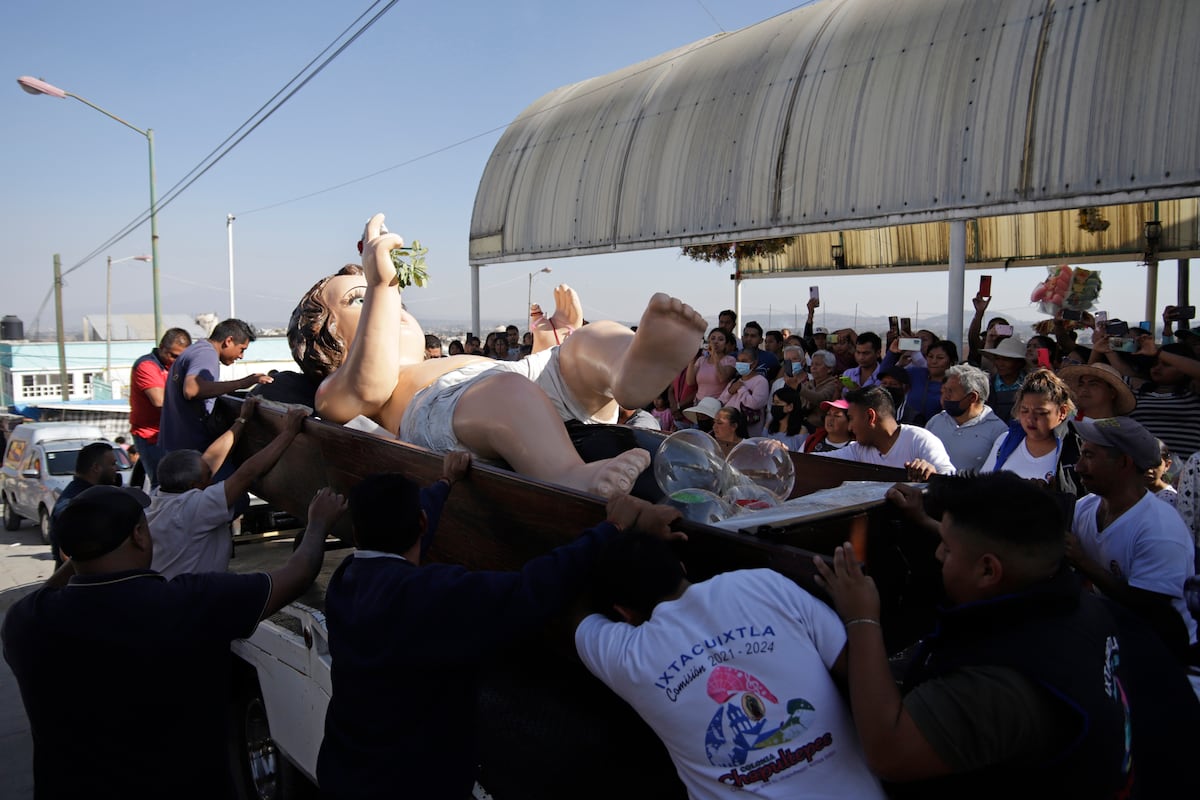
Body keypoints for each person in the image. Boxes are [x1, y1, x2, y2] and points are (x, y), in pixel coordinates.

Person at [315, 458, 685, 800]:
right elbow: (530, 589)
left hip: (342, 772)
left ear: (358, 532)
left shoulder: (347, 579)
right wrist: (611, 528)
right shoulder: (430, 595)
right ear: (422, 523)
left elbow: (404, 541)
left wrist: (446, 482)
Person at [814, 472, 1200, 798]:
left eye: (946, 548)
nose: (937, 555)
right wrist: (930, 523)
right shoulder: (1088, 608)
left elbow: (889, 753)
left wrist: (862, 619)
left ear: (988, 571)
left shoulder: (1003, 683)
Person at [289, 217, 708, 497]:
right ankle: (568, 474)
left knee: (585, 344)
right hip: (449, 407)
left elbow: (533, 377)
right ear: (330, 345)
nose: (390, 301)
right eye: (357, 300)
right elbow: (370, 383)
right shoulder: (336, 388)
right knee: (507, 395)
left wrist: (556, 336)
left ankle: (626, 371)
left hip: (511, 379)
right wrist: (381, 286)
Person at [2, 482, 345, 799]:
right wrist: (318, 523)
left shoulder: (27, 623)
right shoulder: (188, 602)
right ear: (139, 535)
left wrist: (79, 555)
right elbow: (297, 575)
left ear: (66, 552)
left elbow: (50, 588)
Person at [574, 532, 886, 799]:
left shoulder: (627, 657)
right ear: (682, 567)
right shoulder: (765, 584)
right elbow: (857, 668)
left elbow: (579, 616)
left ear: (624, 613)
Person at [1067, 416, 1197, 660]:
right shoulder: (1085, 507)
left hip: (1164, 655)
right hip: (1110, 640)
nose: (1078, 467)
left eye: (1090, 456)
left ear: (1124, 463)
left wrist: (1083, 562)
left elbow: (1150, 608)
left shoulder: (1160, 529)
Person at [147, 400, 310, 579]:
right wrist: (289, 432)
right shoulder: (192, 508)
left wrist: (241, 420)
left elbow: (212, 458)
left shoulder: (158, 497)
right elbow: (248, 473)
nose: (213, 478)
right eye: (208, 476)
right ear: (193, 486)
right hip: (188, 597)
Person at [159, 318, 273, 453]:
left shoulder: (197, 349)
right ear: (228, 341)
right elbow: (192, 390)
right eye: (241, 349)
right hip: (190, 449)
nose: (241, 356)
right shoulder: (207, 354)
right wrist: (243, 382)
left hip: (177, 444)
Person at [813, 386, 954, 477]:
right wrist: (790, 456)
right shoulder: (858, 450)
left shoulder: (920, 440)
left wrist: (932, 473)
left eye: (851, 418)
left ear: (870, 416)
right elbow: (816, 461)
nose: (849, 427)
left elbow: (952, 482)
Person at [980, 369, 1077, 488]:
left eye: (1041, 413)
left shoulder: (1073, 449)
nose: (1030, 419)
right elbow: (983, 486)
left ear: (1062, 412)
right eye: (1024, 411)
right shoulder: (1005, 440)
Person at [129, 327, 192, 489]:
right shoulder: (146, 365)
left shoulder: (178, 366)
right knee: (162, 485)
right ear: (162, 347)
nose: (175, 360)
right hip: (151, 436)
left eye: (180, 357)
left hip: (172, 433)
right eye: (172, 355)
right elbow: (158, 400)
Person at [925, 364, 1008, 473]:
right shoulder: (936, 421)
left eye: (950, 391)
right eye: (943, 391)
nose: (944, 397)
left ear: (972, 397)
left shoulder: (999, 431)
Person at [48, 442, 120, 567]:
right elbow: (68, 556)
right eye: (112, 464)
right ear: (96, 468)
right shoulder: (74, 505)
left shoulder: (92, 494)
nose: (117, 469)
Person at [1058, 361, 1136, 421]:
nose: (1084, 389)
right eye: (1081, 384)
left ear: (1112, 392)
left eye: (1093, 384)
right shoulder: (1065, 420)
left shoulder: (1125, 428)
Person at [717, 348, 770, 436]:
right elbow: (721, 400)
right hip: (730, 430)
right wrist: (730, 391)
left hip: (749, 431)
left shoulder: (761, 381)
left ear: (754, 363)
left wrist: (741, 389)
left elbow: (755, 404)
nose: (740, 363)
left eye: (744, 361)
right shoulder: (735, 380)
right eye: (738, 360)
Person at [978, 336, 1028, 422]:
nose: (1000, 364)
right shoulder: (986, 385)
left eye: (1006, 360)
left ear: (1019, 363)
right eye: (997, 359)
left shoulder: (1030, 385)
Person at [686, 328, 737, 402]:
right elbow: (690, 382)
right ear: (708, 342)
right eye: (713, 339)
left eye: (720, 339)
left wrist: (714, 355)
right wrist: (692, 358)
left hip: (717, 403)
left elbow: (722, 378)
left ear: (726, 344)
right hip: (699, 402)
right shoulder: (701, 360)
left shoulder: (730, 360)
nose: (716, 342)